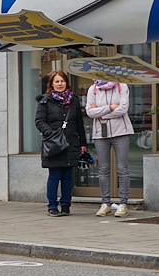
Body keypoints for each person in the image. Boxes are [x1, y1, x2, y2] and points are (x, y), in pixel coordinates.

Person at [35, 71, 88, 217]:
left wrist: (83, 143)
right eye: (57, 81)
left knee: (67, 176)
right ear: (51, 84)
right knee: (55, 174)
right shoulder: (45, 101)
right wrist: (51, 133)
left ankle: (66, 205)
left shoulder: (74, 100)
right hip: (54, 144)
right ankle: (52, 206)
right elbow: (39, 121)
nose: (60, 84)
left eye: (62, 81)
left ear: (66, 83)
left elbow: (79, 124)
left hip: (71, 143)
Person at [86, 79, 133, 217]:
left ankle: (123, 204)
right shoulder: (93, 88)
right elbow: (89, 112)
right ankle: (105, 203)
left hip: (121, 132)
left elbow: (123, 108)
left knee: (122, 168)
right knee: (103, 169)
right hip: (100, 133)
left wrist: (100, 112)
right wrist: (111, 107)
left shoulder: (121, 86)